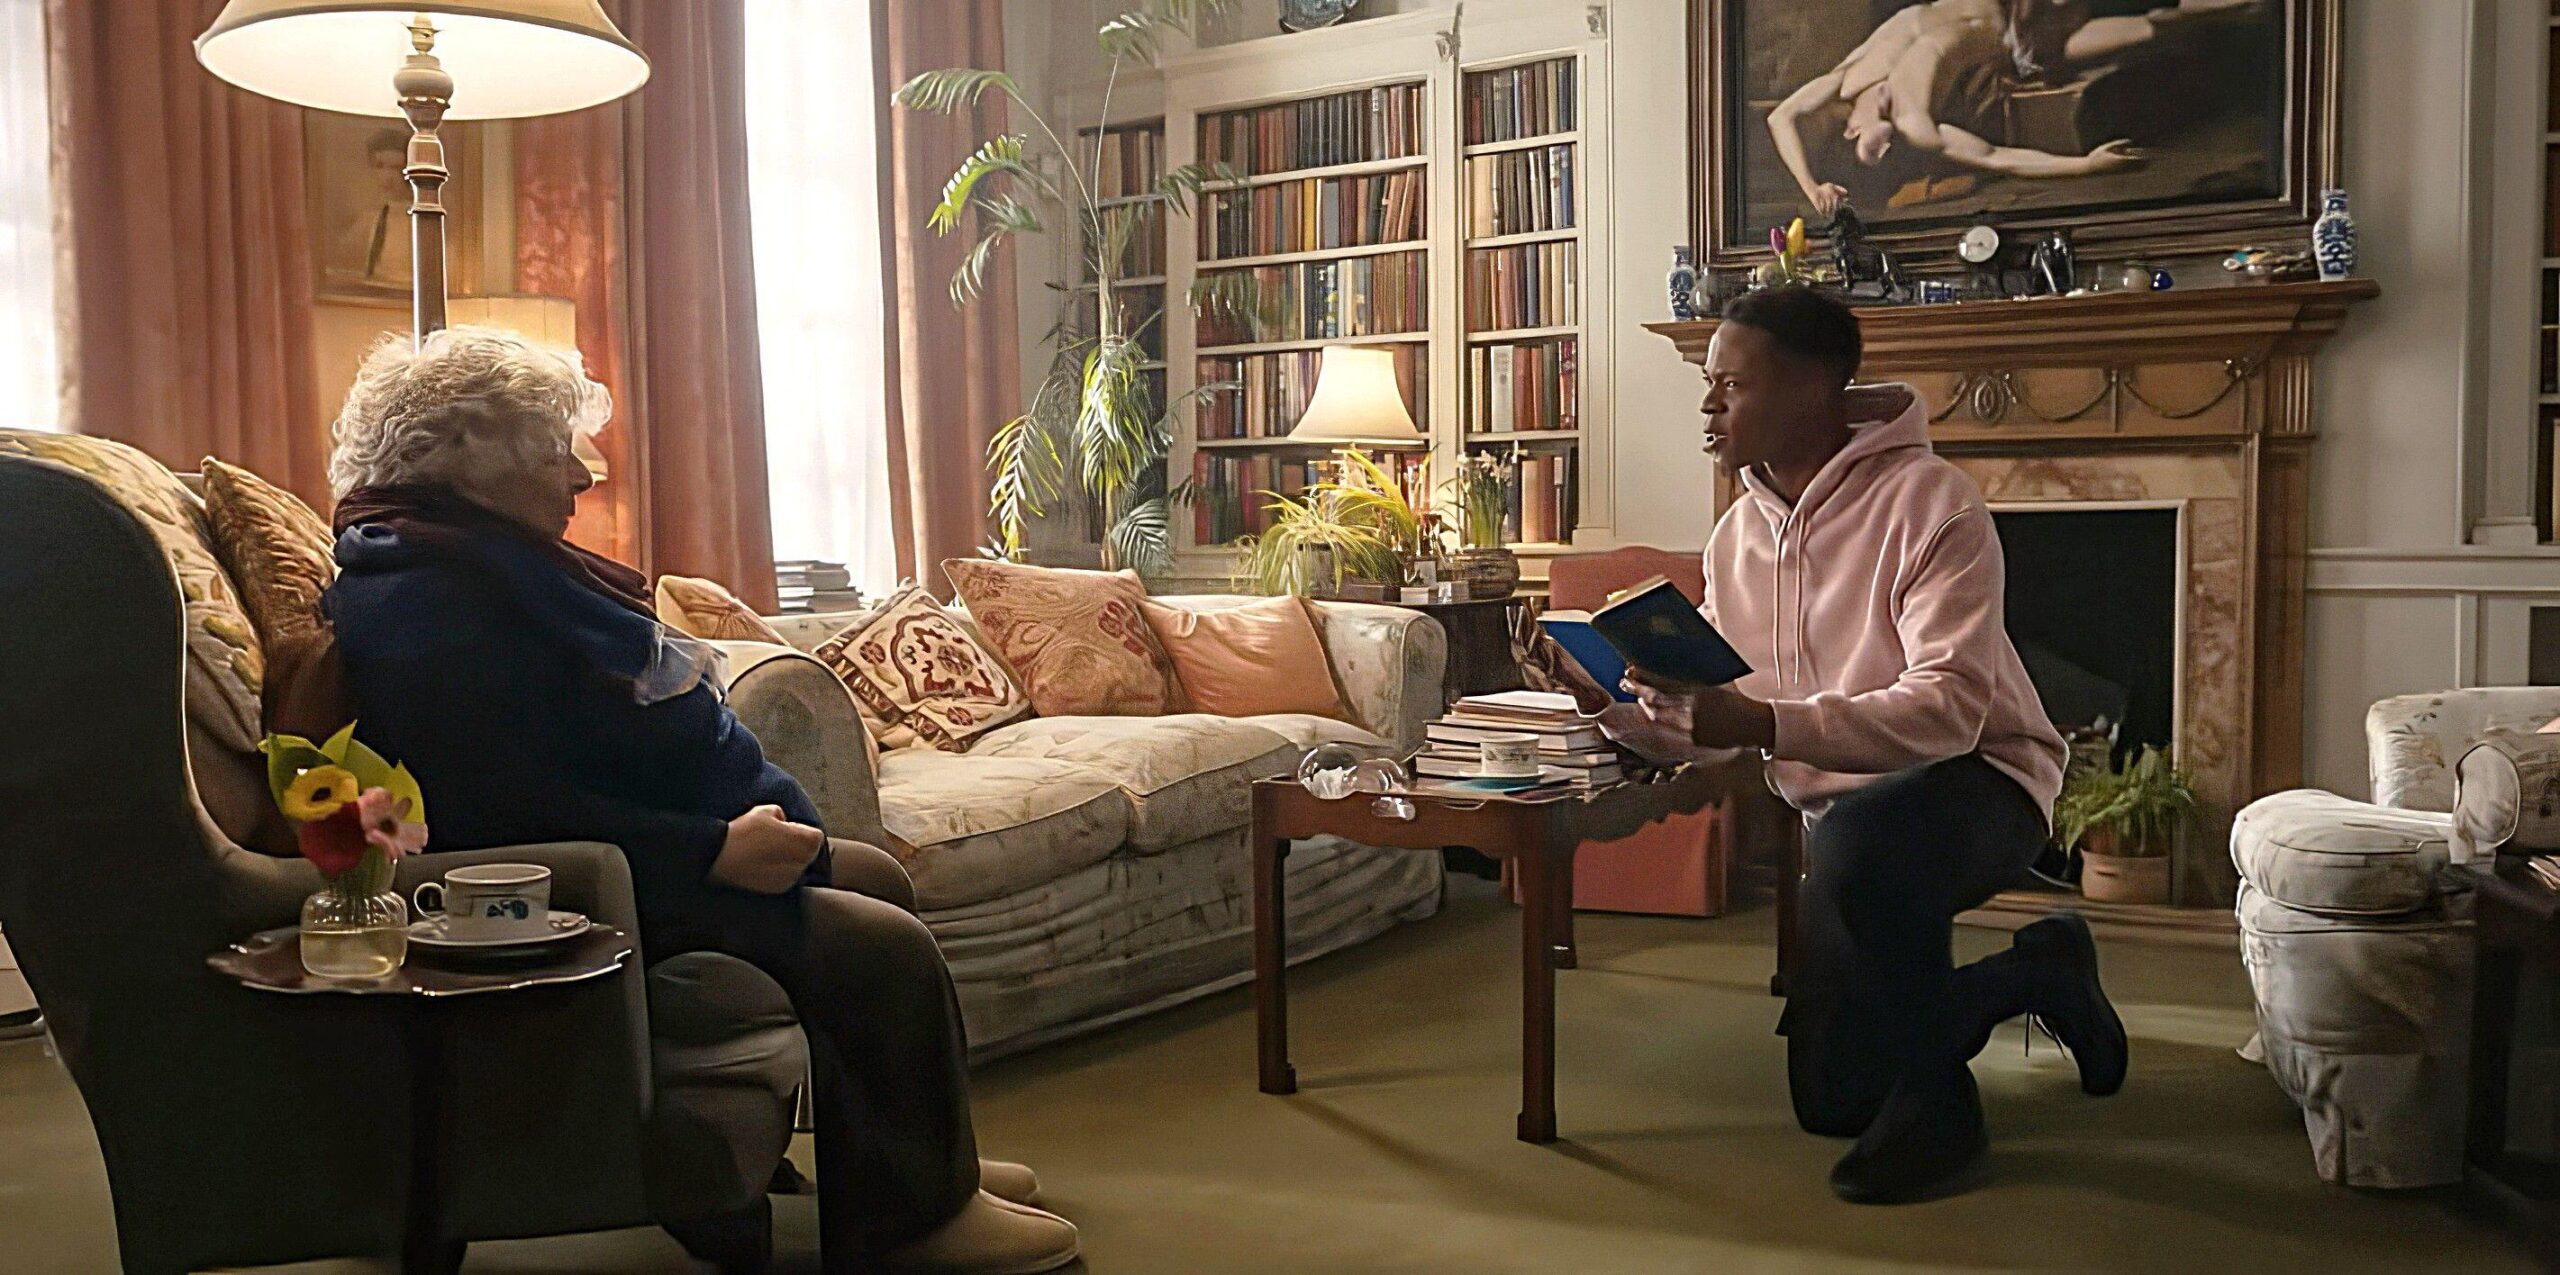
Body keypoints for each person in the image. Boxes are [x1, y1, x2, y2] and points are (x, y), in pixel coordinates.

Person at [320, 328, 1077, 1272]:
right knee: (883, 952)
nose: (583, 475)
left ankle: (903, 1164)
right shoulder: (428, 605)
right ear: (474, 460)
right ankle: (910, 1227)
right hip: (586, 893)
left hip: (647, 854)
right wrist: (707, 850)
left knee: (877, 874)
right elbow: (503, 811)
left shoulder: (457, 562)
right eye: (557, 449)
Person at [1581, 287, 2127, 1203]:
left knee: (1861, 850)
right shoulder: (1735, 537)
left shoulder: (1934, 503)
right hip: (1844, 824)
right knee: (1833, 1099)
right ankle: (2039, 968)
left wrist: (1757, 724)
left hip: (1981, 779)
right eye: (1707, 387)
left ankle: (1944, 1112)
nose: (1709, 408)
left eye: (1731, 386)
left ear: (1814, 390)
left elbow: (1951, 709)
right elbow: (1716, 718)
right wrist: (1608, 702)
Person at [1767, 0, 2146, 218]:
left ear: (1851, 131)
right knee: (2150, 26)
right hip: (2018, 31)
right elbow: (1999, 157)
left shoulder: (1846, 79)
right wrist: (2087, 165)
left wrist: (1813, 187)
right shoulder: (1915, 125)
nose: (1885, 150)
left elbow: (1780, 117)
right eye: (1886, 159)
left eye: (1870, 152)